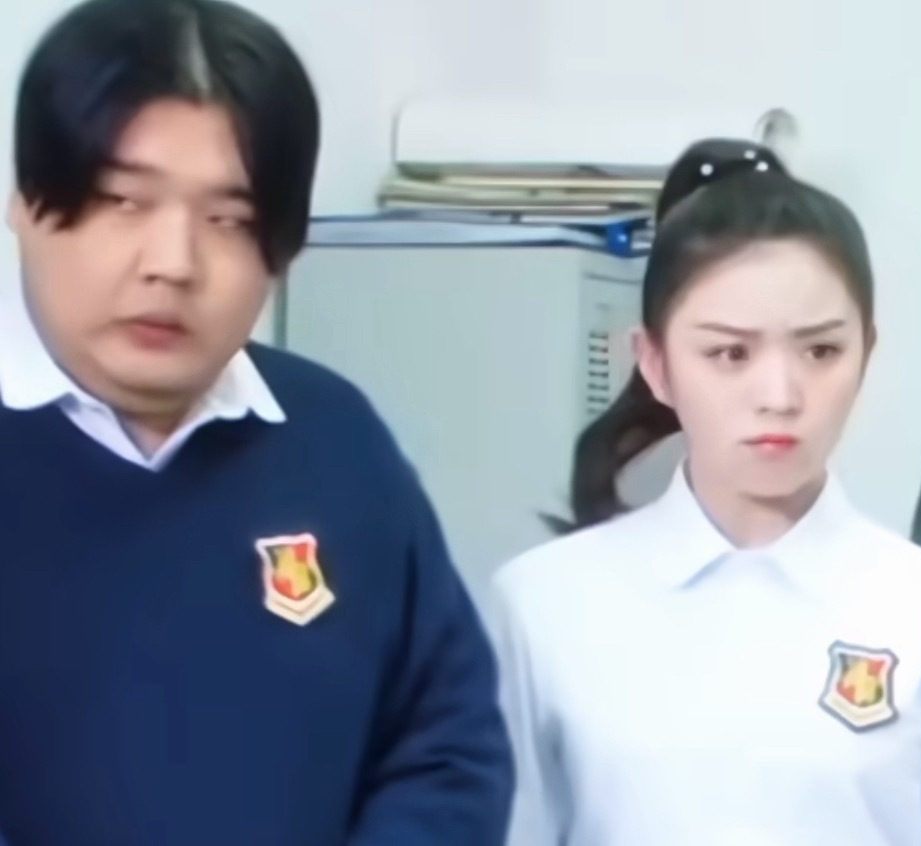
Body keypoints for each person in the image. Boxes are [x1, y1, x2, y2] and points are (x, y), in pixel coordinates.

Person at [0, 1, 512, 844]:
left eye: (229, 220)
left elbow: (443, 745)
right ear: (25, 201)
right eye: (123, 200)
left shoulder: (334, 438)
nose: (173, 263)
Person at [494, 139, 921, 846]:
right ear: (655, 364)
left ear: (866, 354)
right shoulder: (544, 606)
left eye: (821, 351)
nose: (780, 396)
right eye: (730, 353)